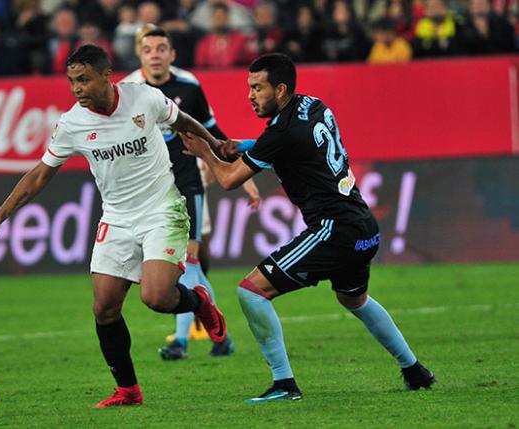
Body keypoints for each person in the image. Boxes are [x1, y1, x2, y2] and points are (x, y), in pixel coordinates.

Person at [0, 44, 228, 408]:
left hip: (161, 210)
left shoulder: (144, 99)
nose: (77, 89)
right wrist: (0, 216)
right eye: (72, 81)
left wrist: (213, 143)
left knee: (155, 297)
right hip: (117, 219)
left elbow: (182, 120)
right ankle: (128, 391)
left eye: (84, 80)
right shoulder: (72, 123)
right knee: (104, 309)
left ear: (107, 76)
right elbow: (41, 174)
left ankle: (199, 301)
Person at [180, 53, 436, 403]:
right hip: (363, 226)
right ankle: (414, 370)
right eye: (249, 87)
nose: (250, 96)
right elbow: (293, 146)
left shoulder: (281, 132)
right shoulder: (313, 106)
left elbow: (227, 179)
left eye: (258, 88)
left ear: (280, 89)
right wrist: (244, 145)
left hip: (334, 229)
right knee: (354, 299)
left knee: (251, 291)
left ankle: (284, 384)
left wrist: (205, 153)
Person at [121, 28, 243, 360]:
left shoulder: (189, 86)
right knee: (188, 268)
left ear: (172, 54)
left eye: (162, 48)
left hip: (187, 185)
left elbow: (211, 131)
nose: (156, 54)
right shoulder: (128, 90)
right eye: (149, 49)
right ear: (140, 55)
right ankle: (221, 336)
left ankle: (181, 340)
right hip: (150, 192)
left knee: (187, 262)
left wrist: (241, 169)